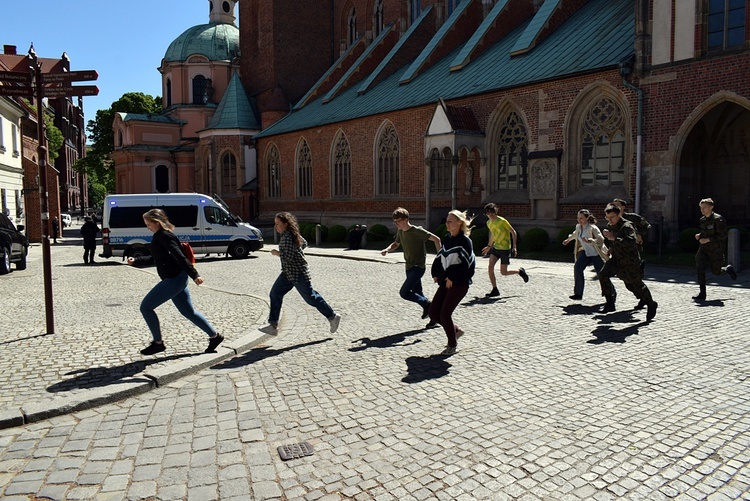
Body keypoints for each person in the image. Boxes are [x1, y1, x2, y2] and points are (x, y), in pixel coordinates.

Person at [127, 209, 223, 355]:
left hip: (174, 279)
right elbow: (157, 258)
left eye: (148, 224)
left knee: (146, 307)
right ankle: (215, 336)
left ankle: (158, 343)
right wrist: (137, 260)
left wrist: (195, 275)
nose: (147, 227)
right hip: (176, 278)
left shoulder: (165, 236)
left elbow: (180, 256)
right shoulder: (158, 236)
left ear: (156, 222)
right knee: (188, 312)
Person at [268, 212, 341, 333]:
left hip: (297, 274)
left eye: (278, 223)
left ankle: (333, 316)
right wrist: (297, 251)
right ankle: (272, 325)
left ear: (285, 224)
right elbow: (304, 243)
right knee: (275, 293)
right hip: (287, 273)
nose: (276, 226)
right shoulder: (292, 234)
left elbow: (289, 257)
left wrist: (277, 253)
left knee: (311, 297)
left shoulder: (287, 237)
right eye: (275, 224)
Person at [381, 208, 442, 322]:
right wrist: (387, 249)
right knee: (418, 294)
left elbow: (436, 239)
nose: (396, 224)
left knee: (404, 292)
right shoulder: (400, 231)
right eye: (394, 222)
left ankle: (429, 305)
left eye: (398, 221)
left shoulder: (417, 231)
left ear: (406, 219)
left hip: (418, 267)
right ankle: (434, 316)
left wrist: (440, 258)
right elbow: (396, 243)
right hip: (408, 267)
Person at [598, 204, 657, 321]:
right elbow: (612, 241)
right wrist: (610, 248)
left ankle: (651, 303)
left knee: (635, 284)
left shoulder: (627, 226)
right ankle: (610, 303)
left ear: (619, 214)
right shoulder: (611, 225)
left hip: (630, 260)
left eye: (612, 217)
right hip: (616, 258)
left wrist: (613, 238)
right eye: (607, 218)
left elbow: (631, 243)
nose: (610, 220)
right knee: (603, 274)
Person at [429, 209, 476, 355]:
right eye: (446, 221)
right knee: (433, 313)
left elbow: (469, 265)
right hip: (445, 281)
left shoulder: (465, 241)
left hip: (460, 283)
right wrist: (436, 273)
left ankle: (452, 344)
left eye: (450, 221)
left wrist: (453, 277)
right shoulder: (447, 238)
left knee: (444, 314)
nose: (447, 224)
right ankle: (455, 330)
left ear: (459, 223)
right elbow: (440, 257)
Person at [693, 198, 737, 300]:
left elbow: (722, 236)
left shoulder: (718, 219)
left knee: (716, 272)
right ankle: (702, 293)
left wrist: (707, 239)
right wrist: (700, 235)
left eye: (704, 207)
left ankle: (727, 269)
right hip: (704, 249)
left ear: (711, 207)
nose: (702, 210)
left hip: (716, 250)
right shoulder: (702, 220)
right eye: (701, 208)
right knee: (700, 267)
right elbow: (705, 232)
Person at [480, 203, 528, 297]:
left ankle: (520, 272)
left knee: (504, 272)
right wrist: (489, 246)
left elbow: (513, 232)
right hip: (496, 248)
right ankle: (495, 289)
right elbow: (493, 234)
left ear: (495, 212)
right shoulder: (489, 223)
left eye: (492, 213)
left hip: (505, 249)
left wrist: (514, 246)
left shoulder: (502, 221)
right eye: (488, 214)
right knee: (490, 267)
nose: (490, 215)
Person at [562, 209, 610, 300]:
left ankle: (610, 294)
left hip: (596, 253)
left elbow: (601, 239)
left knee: (602, 274)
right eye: (578, 218)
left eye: (581, 218)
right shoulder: (578, 227)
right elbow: (575, 234)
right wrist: (568, 240)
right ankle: (578, 294)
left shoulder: (593, 228)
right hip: (585, 252)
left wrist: (591, 240)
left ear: (587, 218)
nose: (579, 220)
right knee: (577, 268)